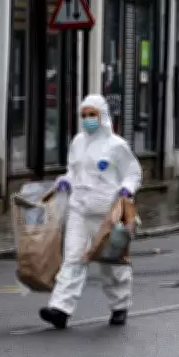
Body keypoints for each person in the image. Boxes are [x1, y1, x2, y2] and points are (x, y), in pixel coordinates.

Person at [39, 94, 142, 330]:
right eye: (84, 115)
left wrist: (127, 188)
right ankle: (60, 309)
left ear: (102, 115)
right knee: (73, 259)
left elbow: (133, 173)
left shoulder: (116, 146)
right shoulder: (78, 142)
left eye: (92, 115)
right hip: (79, 209)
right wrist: (65, 181)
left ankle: (120, 305)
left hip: (107, 214)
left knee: (111, 263)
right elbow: (73, 172)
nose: (87, 119)